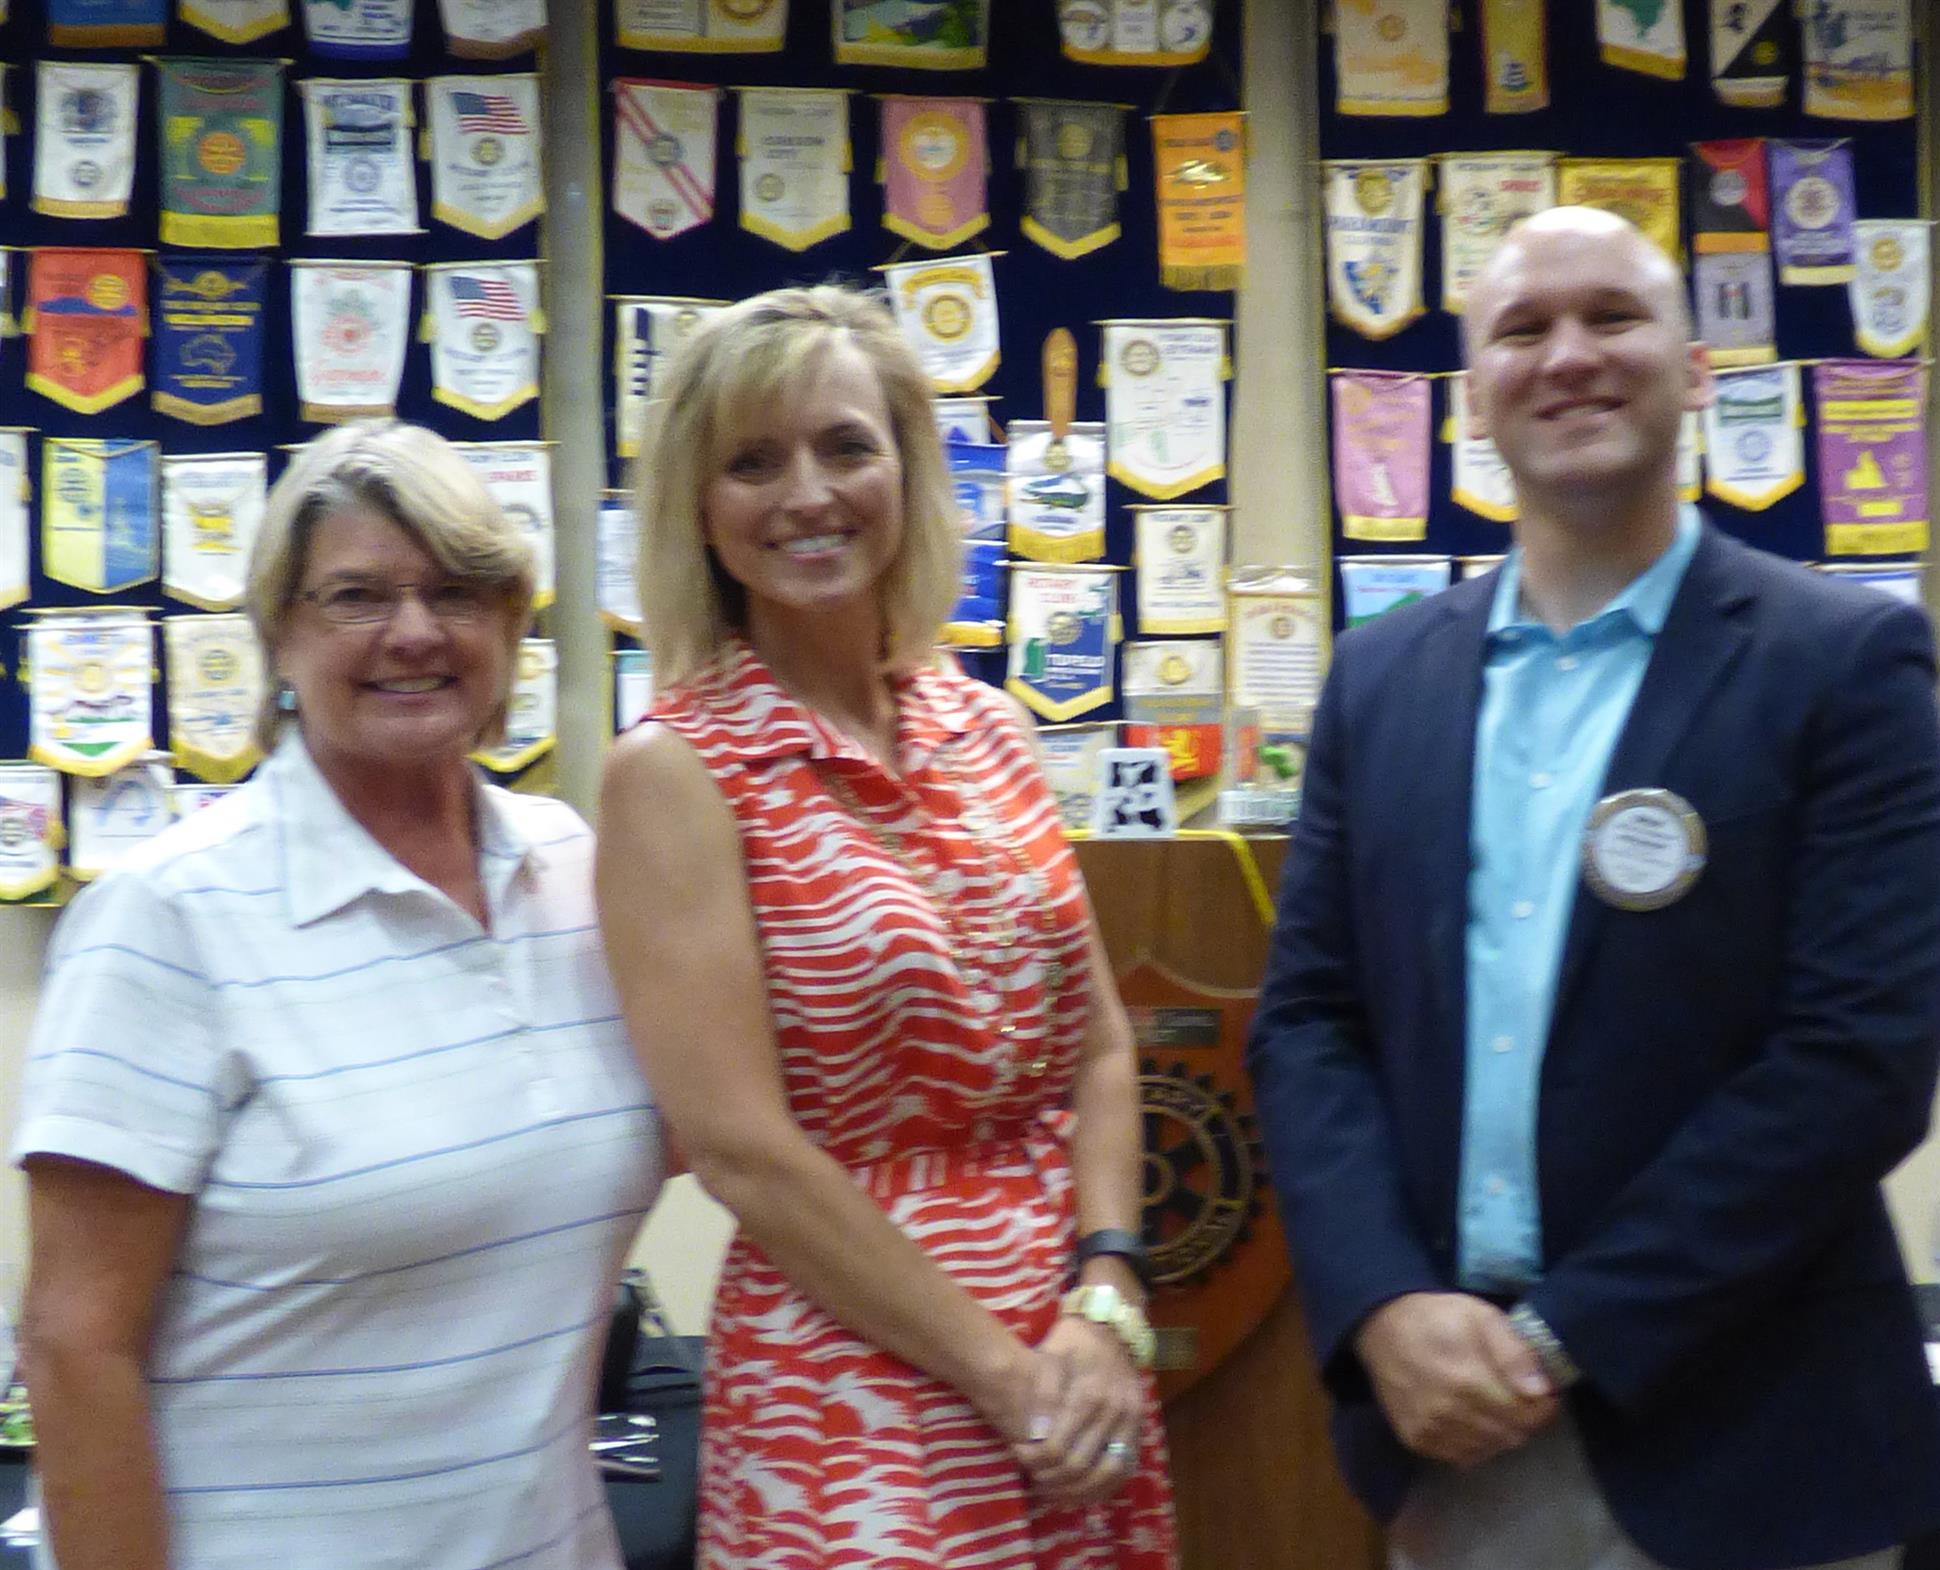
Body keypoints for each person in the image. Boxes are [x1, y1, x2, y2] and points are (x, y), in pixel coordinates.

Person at [1248, 206, 1940, 1570]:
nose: (1569, 354)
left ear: (1696, 371)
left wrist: (1562, 1334)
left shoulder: (1844, 661)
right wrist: (1384, 1304)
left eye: (1613, 316)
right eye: (1523, 329)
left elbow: (1857, 1060)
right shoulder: (1379, 679)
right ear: (1475, 398)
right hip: (1453, 1441)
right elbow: (1307, 1025)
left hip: (1756, 1439)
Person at [14, 420, 665, 1570]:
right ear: (279, 632)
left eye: (456, 591)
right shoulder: (167, 917)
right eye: (357, 596)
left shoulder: (573, 869)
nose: (414, 631)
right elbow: (74, 1348)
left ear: (509, 623)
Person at [595, 284, 1176, 1570]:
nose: (808, 494)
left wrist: (1108, 1294)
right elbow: (743, 1153)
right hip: (855, 1390)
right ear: (699, 507)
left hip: (1074, 1365)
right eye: (754, 462)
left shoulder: (991, 729)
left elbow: (1098, 1049)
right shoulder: (674, 774)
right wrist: (1004, 1376)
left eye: (846, 446)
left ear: (909, 469)